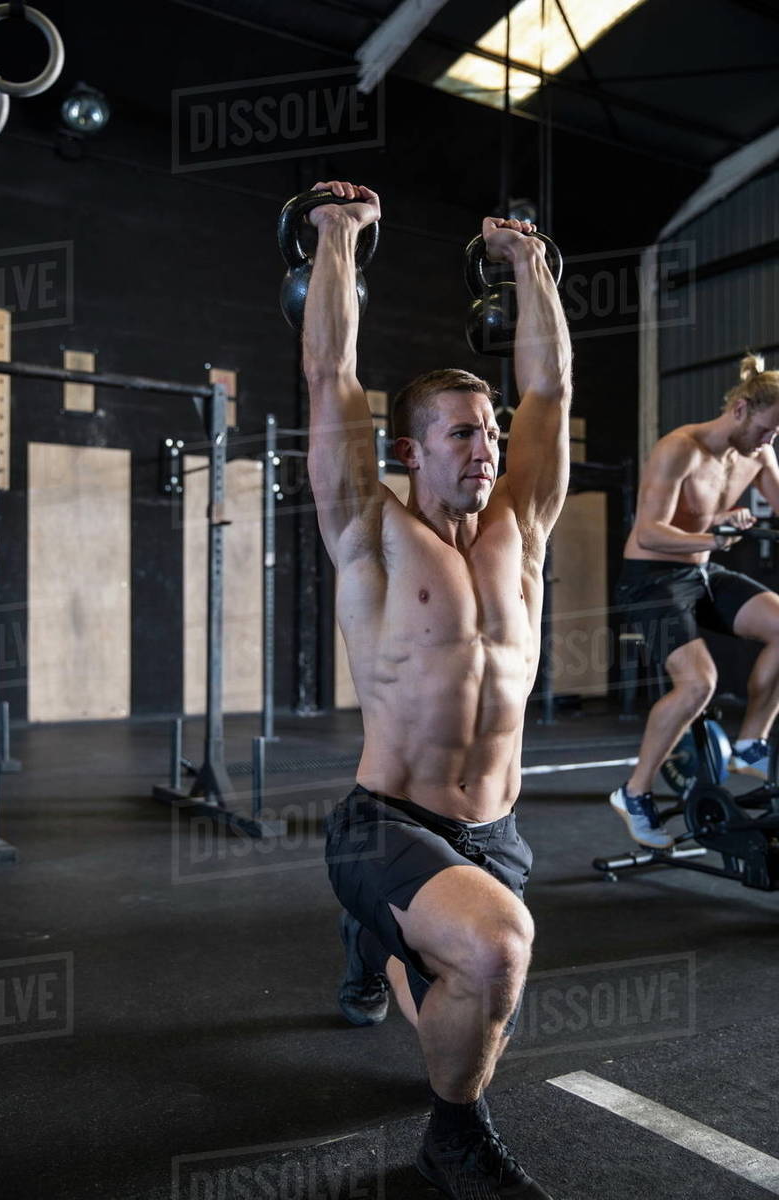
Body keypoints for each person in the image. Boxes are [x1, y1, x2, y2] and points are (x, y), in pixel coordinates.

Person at [302, 179, 571, 1200]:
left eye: (488, 431)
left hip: (494, 832)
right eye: (461, 433)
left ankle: (376, 938)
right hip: (385, 819)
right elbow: (330, 370)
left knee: (470, 1000)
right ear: (409, 450)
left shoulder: (522, 528)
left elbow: (547, 389)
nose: (487, 445)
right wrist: (336, 236)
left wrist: (528, 263)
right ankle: (451, 1144)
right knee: (497, 953)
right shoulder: (368, 530)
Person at [610, 354, 779, 849]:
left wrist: (713, 541)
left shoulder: (760, 452)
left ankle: (749, 744)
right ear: (742, 409)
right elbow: (648, 532)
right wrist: (714, 534)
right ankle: (635, 792)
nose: (769, 442)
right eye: (767, 429)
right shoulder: (679, 449)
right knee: (697, 684)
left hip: (702, 568)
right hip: (650, 578)